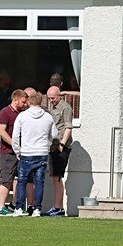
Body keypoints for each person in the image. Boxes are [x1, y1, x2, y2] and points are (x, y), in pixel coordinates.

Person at [11, 91, 58, 217]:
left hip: (26, 153)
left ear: (29, 102)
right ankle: (37, 209)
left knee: (22, 181)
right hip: (42, 152)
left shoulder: (22, 116)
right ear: (41, 102)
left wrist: (17, 151)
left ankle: (19, 208)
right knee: (39, 182)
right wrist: (47, 142)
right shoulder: (48, 117)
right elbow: (54, 134)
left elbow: (15, 136)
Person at [0, 89, 29, 216]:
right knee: (6, 180)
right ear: (15, 100)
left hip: (21, 153)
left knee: (19, 180)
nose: (25, 104)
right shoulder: (5, 112)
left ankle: (15, 206)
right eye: (23, 102)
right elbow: (1, 131)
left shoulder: (23, 114)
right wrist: (15, 145)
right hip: (8, 153)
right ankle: (0, 208)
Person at [45, 86, 74, 217]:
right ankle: (57, 207)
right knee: (55, 176)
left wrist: (62, 143)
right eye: (49, 98)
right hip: (53, 145)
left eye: (53, 98)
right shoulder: (53, 108)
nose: (51, 101)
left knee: (57, 176)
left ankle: (58, 207)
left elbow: (68, 127)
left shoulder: (65, 107)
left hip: (61, 146)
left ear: (59, 96)